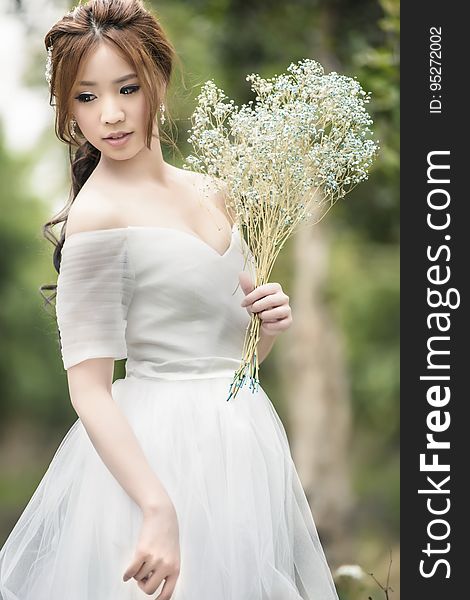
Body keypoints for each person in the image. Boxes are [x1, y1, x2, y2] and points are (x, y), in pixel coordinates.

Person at [0, 1, 340, 598]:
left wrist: (269, 330)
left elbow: (227, 361)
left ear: (157, 77)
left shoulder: (215, 192)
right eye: (85, 97)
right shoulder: (98, 217)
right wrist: (156, 506)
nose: (109, 114)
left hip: (239, 445)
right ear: (66, 107)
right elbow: (88, 388)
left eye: (126, 88)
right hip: (154, 459)